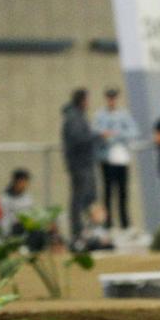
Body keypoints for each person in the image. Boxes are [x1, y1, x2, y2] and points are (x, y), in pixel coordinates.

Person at [93, 87, 139, 230]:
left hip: (121, 157)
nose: (112, 101)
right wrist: (104, 135)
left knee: (123, 192)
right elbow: (95, 132)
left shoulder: (123, 114)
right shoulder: (100, 115)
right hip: (106, 157)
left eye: (114, 98)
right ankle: (108, 223)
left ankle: (125, 223)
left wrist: (116, 135)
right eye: (109, 98)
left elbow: (134, 131)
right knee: (107, 192)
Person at [61, 88, 104, 242]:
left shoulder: (77, 116)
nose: (89, 103)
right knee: (79, 200)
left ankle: (85, 230)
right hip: (80, 164)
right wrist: (97, 136)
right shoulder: (74, 118)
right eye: (87, 99)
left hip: (83, 163)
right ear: (82, 100)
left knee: (86, 198)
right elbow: (78, 138)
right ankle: (78, 232)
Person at [0, 168, 35, 234]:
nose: (24, 185)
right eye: (21, 182)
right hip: (12, 230)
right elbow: (4, 219)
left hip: (27, 228)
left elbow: (31, 214)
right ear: (15, 182)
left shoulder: (28, 198)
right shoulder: (5, 198)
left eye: (26, 182)